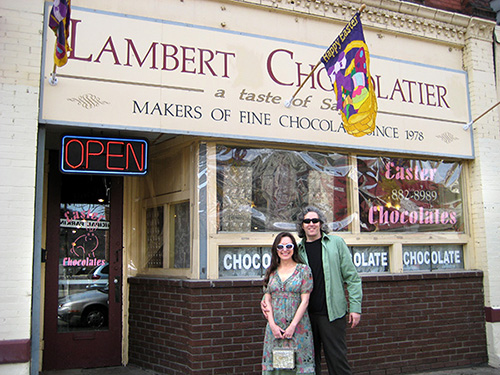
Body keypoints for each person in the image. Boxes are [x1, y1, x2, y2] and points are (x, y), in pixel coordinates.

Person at [262, 207, 362, 375]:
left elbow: (352, 278)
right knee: (308, 364)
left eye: (315, 220)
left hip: (331, 314)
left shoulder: (336, 244)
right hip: (304, 318)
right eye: (307, 221)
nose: (311, 224)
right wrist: (266, 299)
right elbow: (279, 278)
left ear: (321, 224)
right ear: (302, 226)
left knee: (337, 361)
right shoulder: (296, 249)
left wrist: (355, 307)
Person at [262, 232, 315, 374]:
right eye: (280, 246)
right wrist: (272, 325)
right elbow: (267, 299)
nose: (284, 249)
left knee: (298, 367)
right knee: (276, 366)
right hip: (275, 329)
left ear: (294, 248)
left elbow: (305, 301)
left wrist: (292, 327)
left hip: (298, 327)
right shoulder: (271, 272)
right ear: (276, 249)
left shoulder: (303, 270)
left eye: (288, 246)